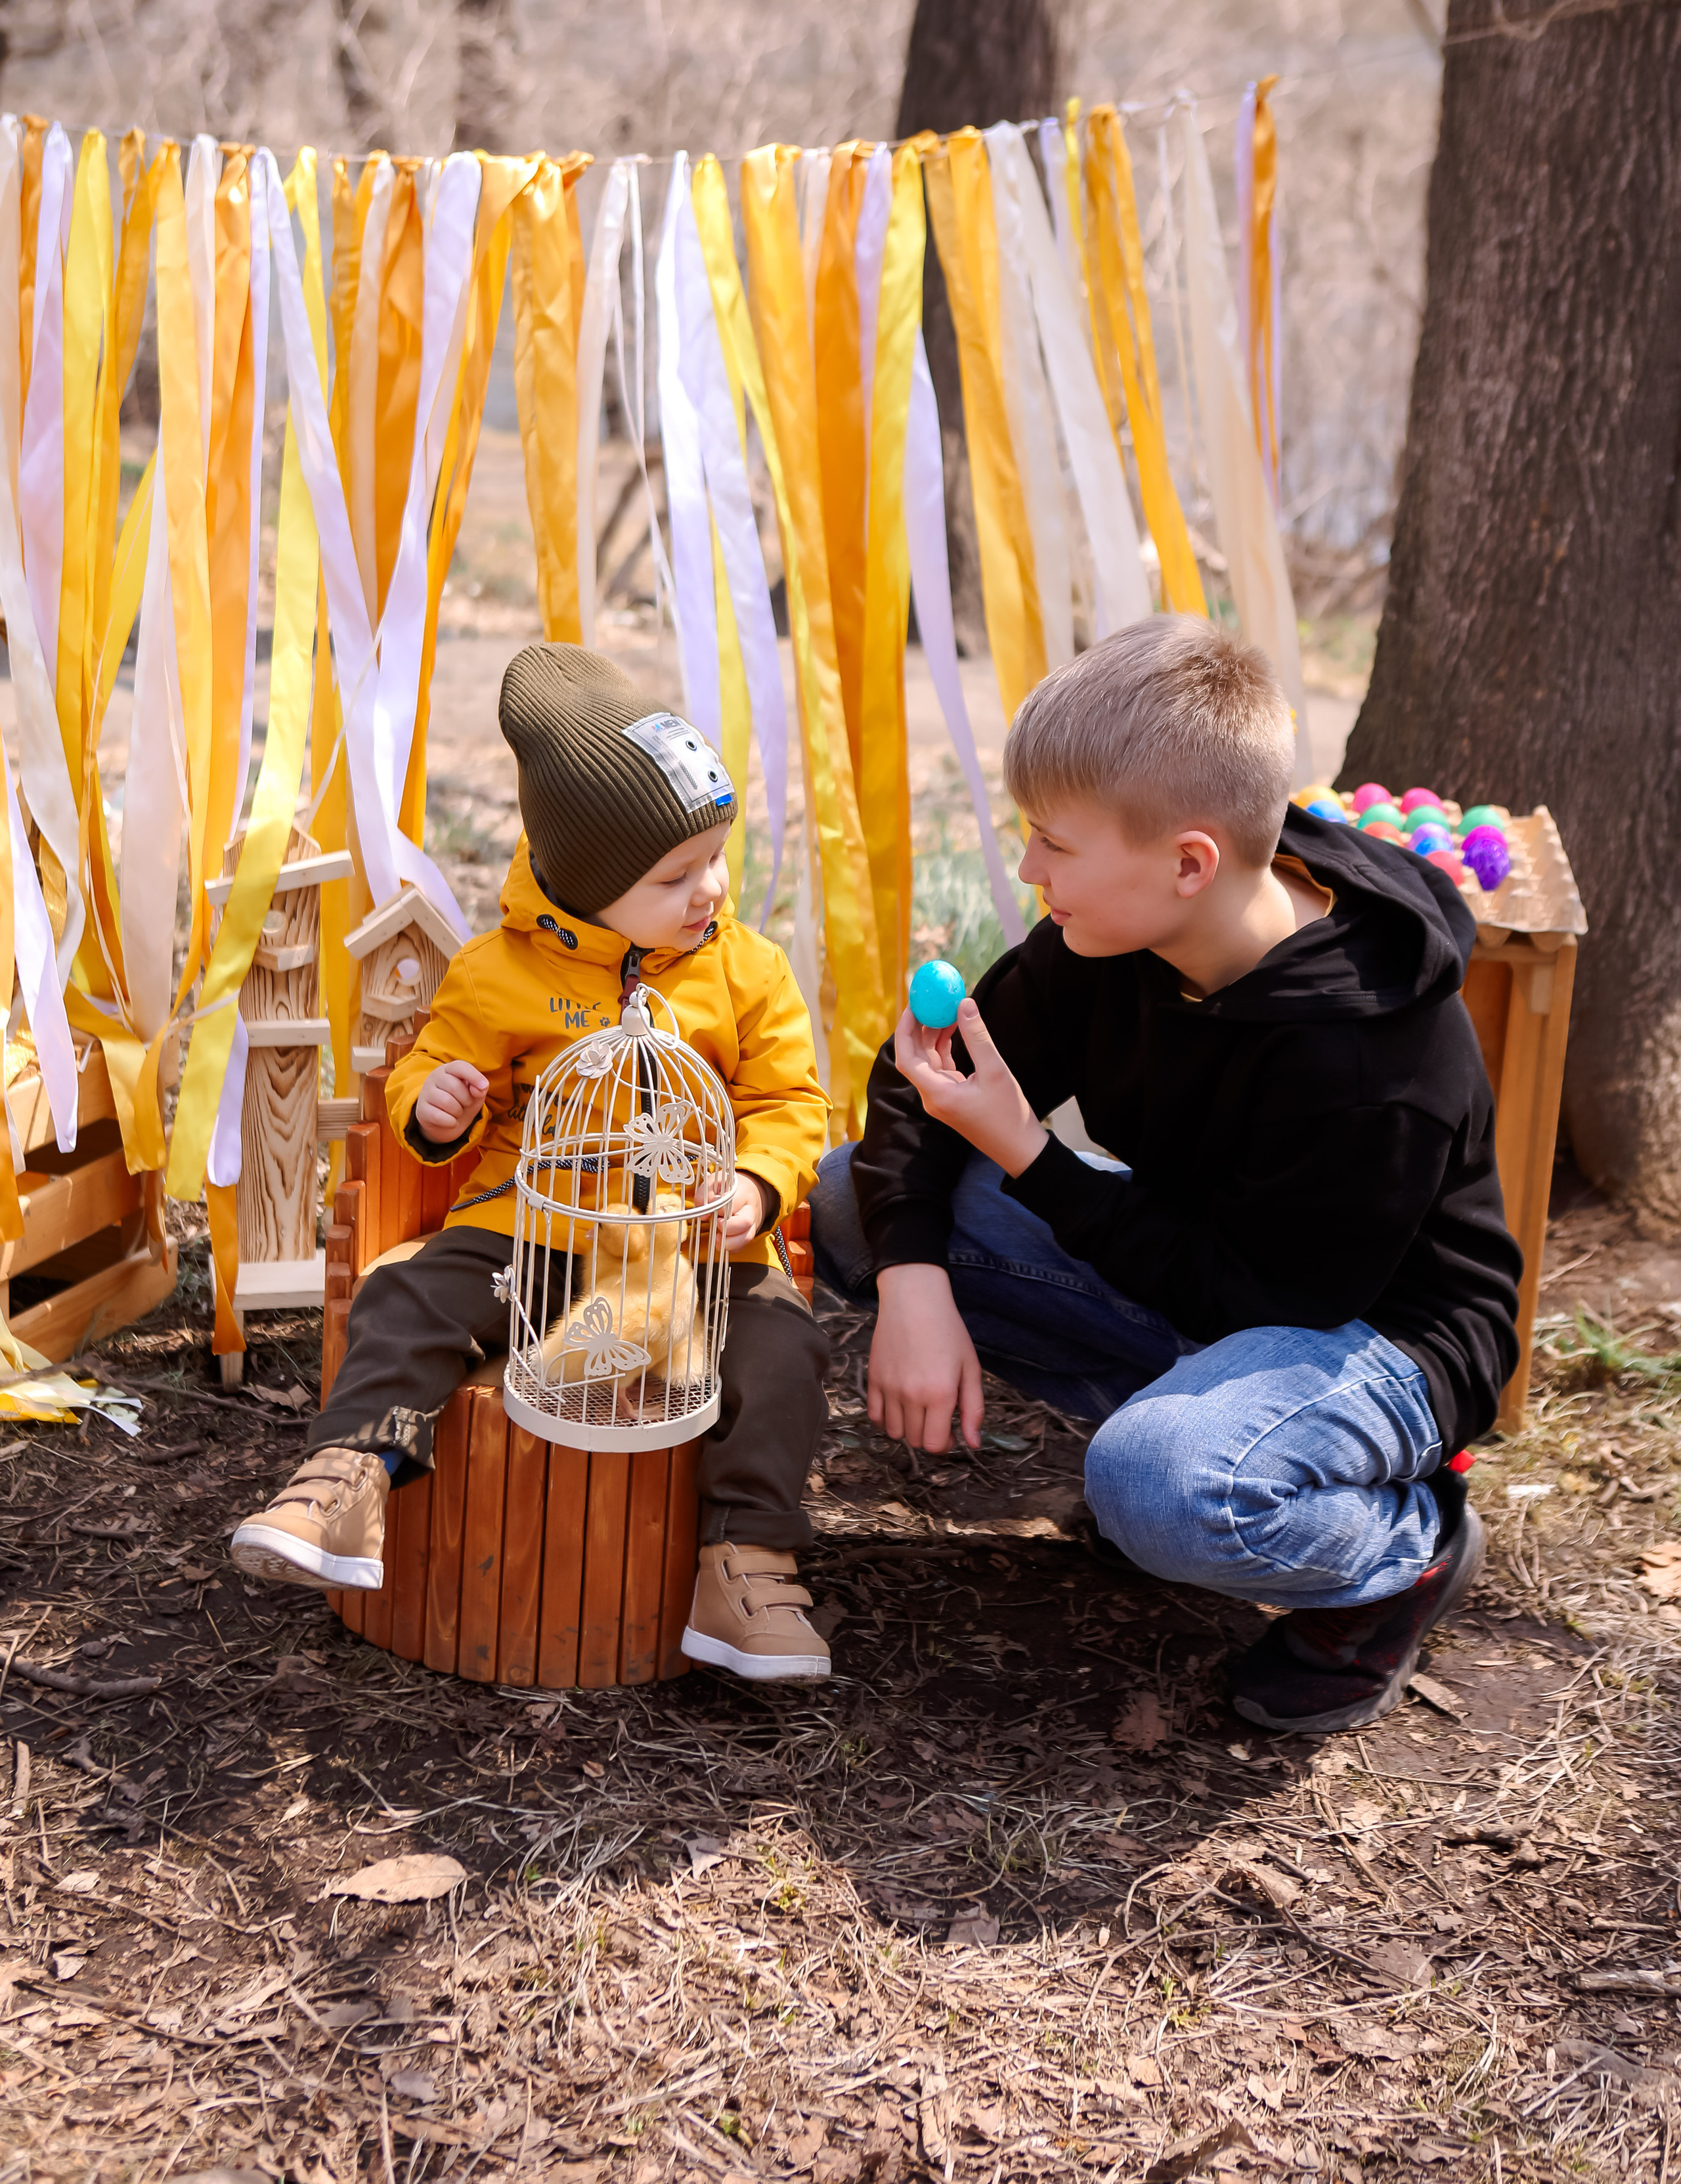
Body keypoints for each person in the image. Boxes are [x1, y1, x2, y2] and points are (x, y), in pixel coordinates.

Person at [811, 616, 1521, 1733]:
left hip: (1374, 1337)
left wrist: (1030, 1157)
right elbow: (928, 1082)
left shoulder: (1372, 1057)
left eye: (1055, 844)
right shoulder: (1115, 932)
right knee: (856, 1201)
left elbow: (1263, 1302)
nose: (1031, 870)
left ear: (1190, 861)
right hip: (1206, 1269)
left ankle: (1405, 1553)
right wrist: (911, 1279)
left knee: (1158, 1484)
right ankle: (1181, 1433)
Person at [233, 644, 835, 1682]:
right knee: (409, 1297)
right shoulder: (501, 972)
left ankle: (745, 1563)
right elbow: (431, 1078)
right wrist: (438, 1103)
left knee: (781, 1350)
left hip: (691, 1246)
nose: (711, 889)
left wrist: (756, 1183)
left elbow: (790, 1101)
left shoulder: (745, 969)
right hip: (532, 1227)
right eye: (674, 876)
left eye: (716, 858)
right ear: (591, 887)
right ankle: (348, 1479)